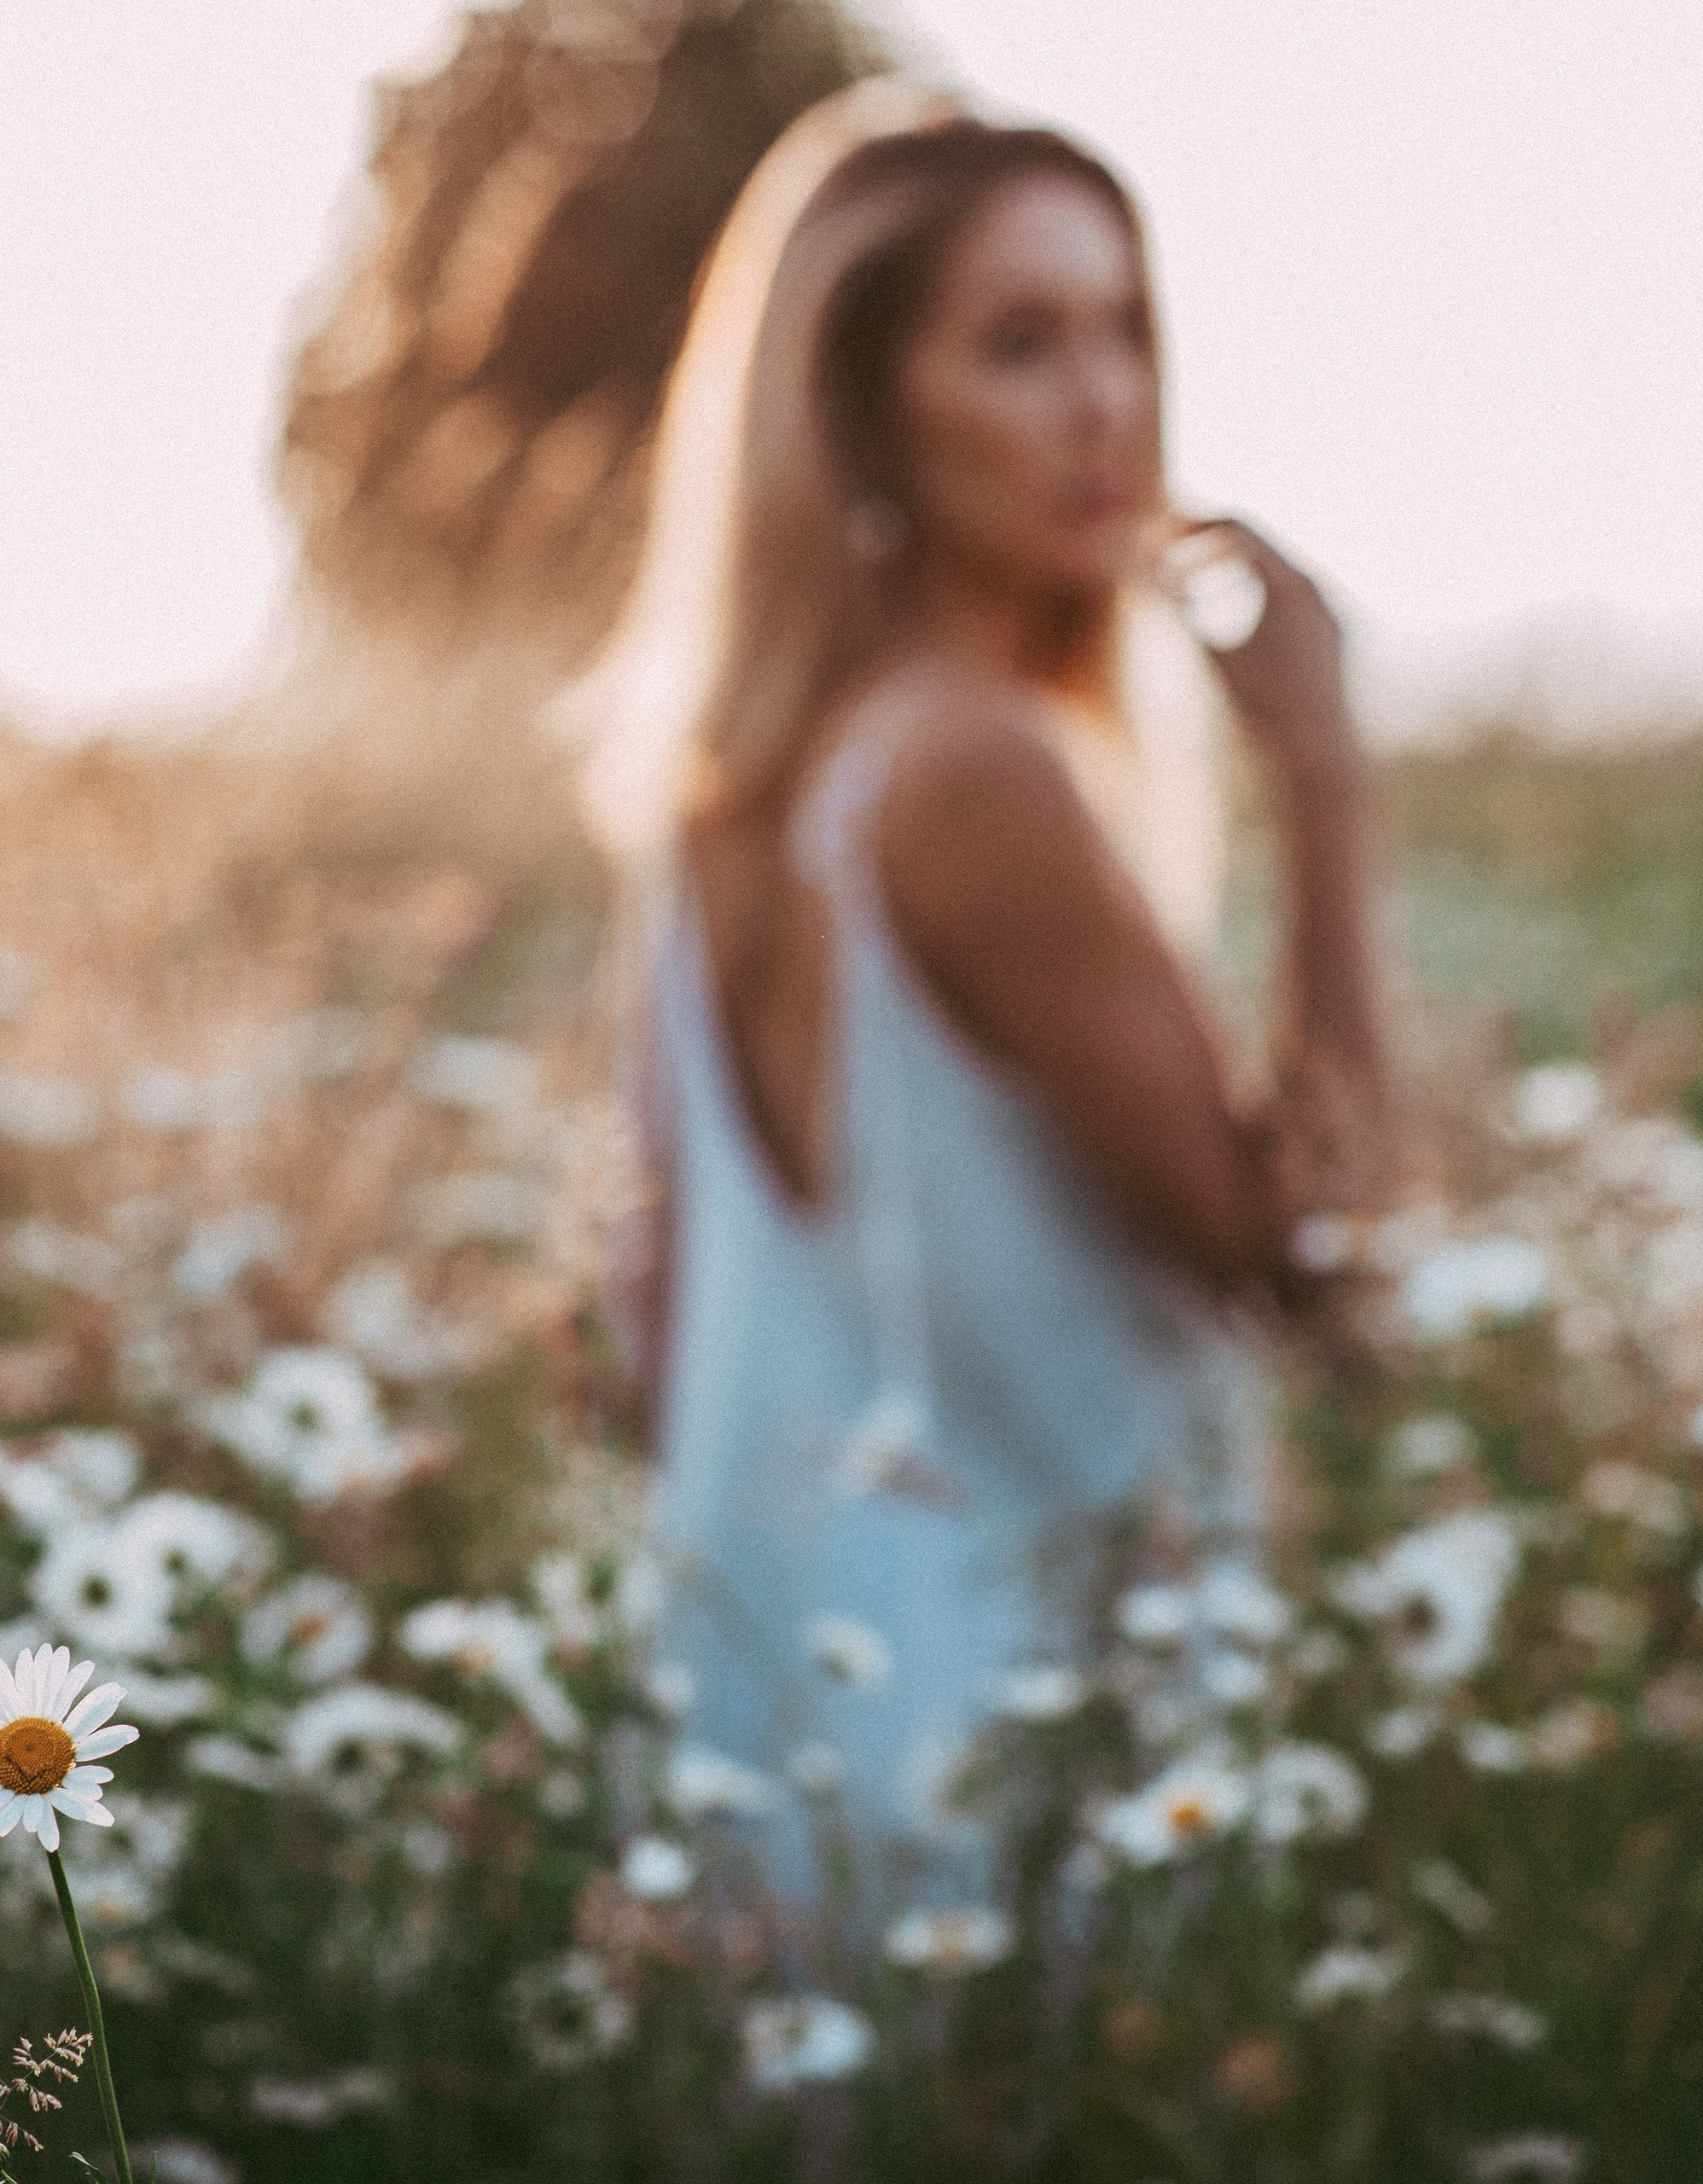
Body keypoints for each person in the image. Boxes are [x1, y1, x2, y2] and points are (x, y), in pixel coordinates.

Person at [566, 84, 1390, 1908]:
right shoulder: (965, 778)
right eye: (1018, 344)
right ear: (857, 409)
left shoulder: (728, 795)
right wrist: (1323, 779)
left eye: (1124, 330)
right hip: (1020, 1766)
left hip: (781, 1731)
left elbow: (636, 1330)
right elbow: (1317, 1255)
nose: (1106, 405)